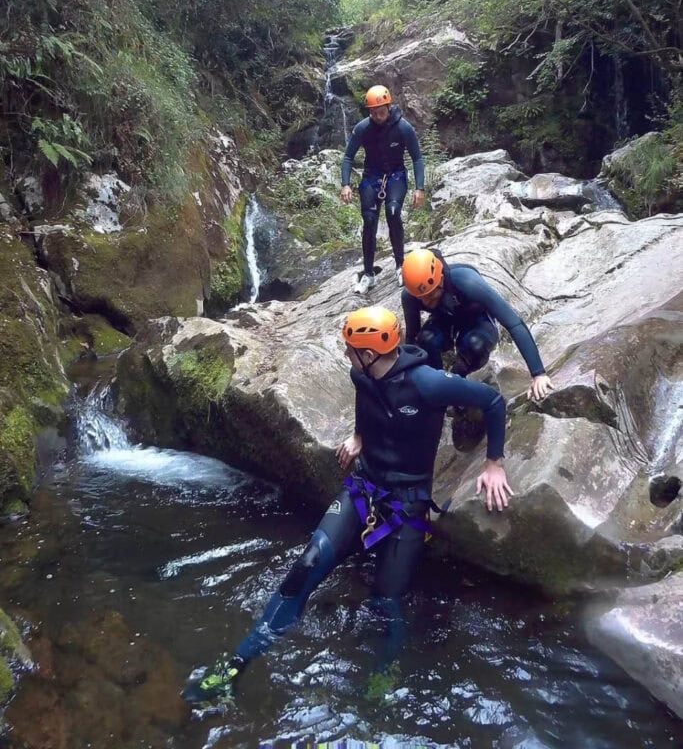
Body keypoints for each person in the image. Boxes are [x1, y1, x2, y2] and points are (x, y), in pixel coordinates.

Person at [182, 305, 512, 709]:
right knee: (308, 562)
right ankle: (239, 661)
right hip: (363, 490)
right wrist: (358, 437)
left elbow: (493, 402)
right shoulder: (362, 374)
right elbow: (368, 403)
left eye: (350, 348)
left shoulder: (427, 384)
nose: (345, 355)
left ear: (369, 354)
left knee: (385, 605)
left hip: (408, 505)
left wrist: (494, 463)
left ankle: (380, 691)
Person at [401, 248, 554, 449]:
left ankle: (458, 379)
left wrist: (538, 373)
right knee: (426, 340)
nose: (425, 302)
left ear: (440, 279)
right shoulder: (411, 295)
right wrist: (408, 385)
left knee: (475, 345)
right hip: (444, 320)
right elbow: (412, 340)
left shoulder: (466, 281)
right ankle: (441, 390)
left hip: (477, 320)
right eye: (421, 298)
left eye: (430, 295)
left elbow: (513, 323)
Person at [341, 85, 425, 294]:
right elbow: (348, 157)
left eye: (381, 111)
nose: (378, 116)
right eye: (373, 112)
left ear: (388, 107)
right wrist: (345, 184)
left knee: (393, 213)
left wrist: (419, 188)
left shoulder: (403, 128)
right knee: (369, 221)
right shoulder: (362, 128)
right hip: (371, 177)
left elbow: (417, 158)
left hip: (396, 175)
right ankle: (369, 274)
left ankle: (400, 265)